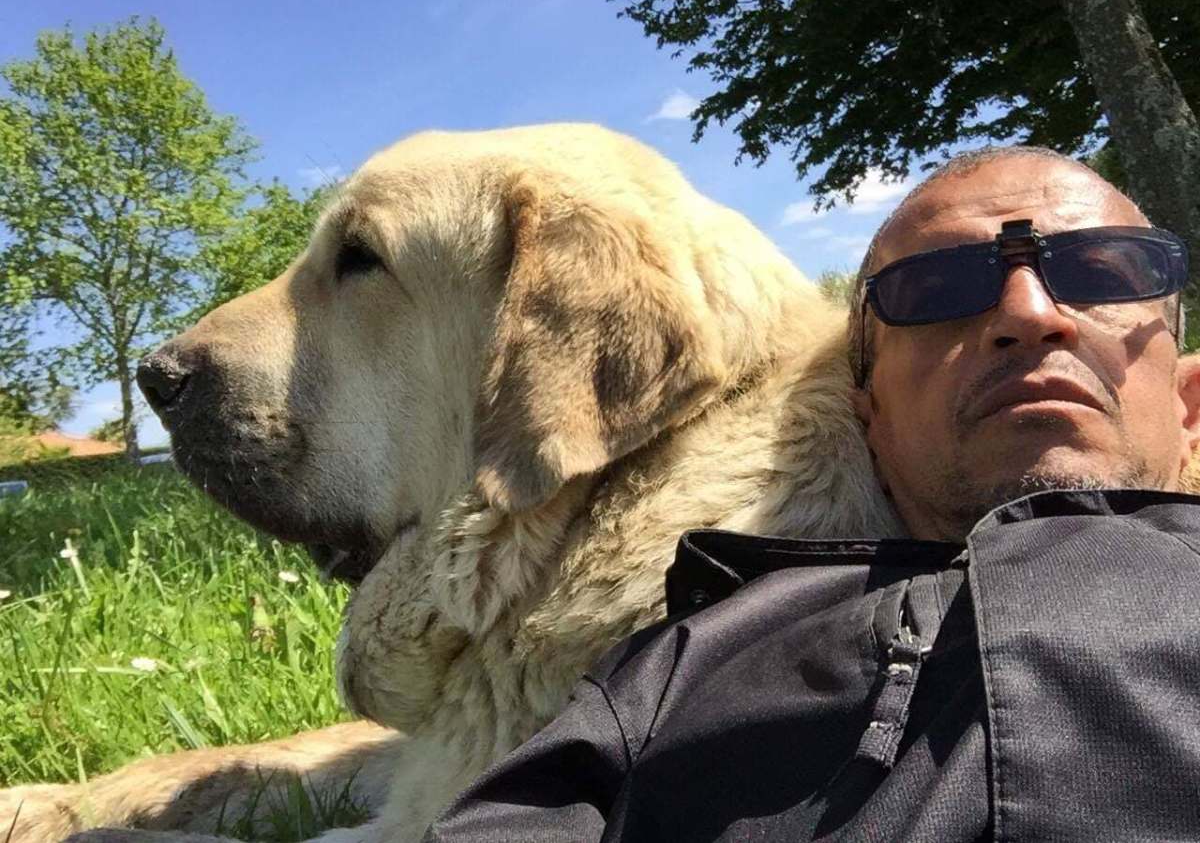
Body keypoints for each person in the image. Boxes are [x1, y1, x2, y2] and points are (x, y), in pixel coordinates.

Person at [422, 148, 1200, 842]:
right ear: (868, 416)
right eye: (939, 288)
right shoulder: (688, 664)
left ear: (1189, 402)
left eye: (1103, 273)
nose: (1028, 313)